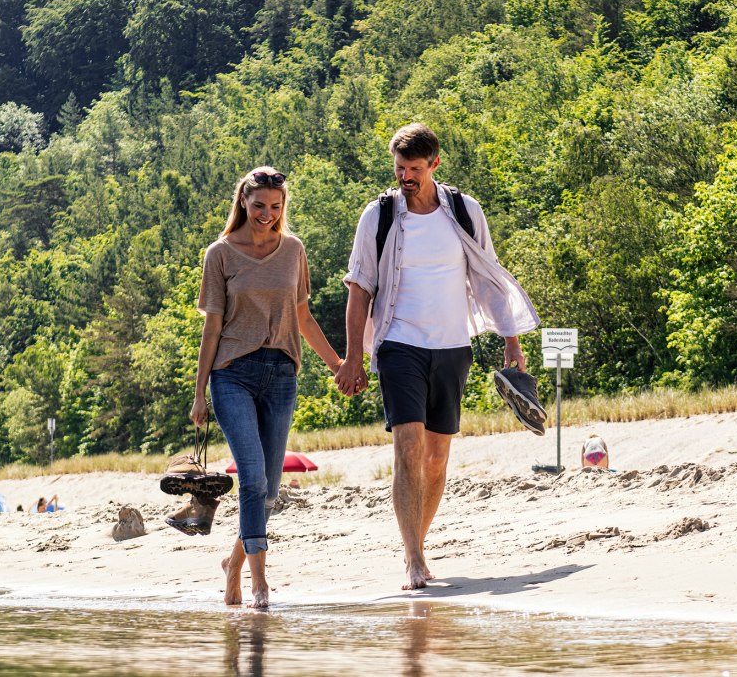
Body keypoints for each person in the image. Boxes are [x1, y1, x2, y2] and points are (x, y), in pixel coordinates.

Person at [334, 123, 544, 590]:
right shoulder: (380, 216)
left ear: (434, 164)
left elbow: (488, 277)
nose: (405, 177)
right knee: (407, 447)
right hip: (398, 343)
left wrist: (511, 338)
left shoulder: (465, 211)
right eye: (399, 168)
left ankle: (419, 545)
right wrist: (353, 356)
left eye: (414, 169)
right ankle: (412, 559)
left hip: (452, 346)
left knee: (436, 458)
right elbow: (359, 288)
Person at [190, 166, 344, 609]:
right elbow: (213, 327)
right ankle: (259, 585)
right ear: (243, 201)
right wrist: (200, 393)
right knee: (252, 479)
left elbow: (304, 316)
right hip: (231, 374)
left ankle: (233, 562)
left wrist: (337, 364)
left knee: (269, 490)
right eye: (259, 206)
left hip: (281, 375)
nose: (267, 214)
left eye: (275, 208)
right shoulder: (219, 254)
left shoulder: (293, 249)